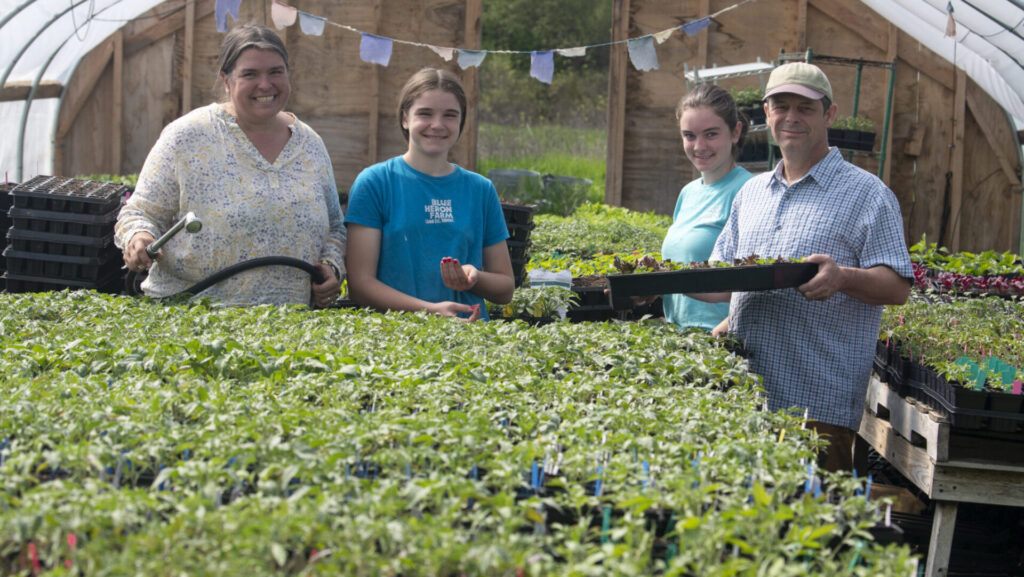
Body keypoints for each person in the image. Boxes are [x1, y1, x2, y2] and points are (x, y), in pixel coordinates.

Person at [697, 62, 913, 471]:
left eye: (805, 108)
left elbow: (897, 287)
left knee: (813, 509)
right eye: (781, 106)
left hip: (816, 408)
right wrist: (649, 287)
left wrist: (842, 277)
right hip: (743, 398)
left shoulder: (868, 194)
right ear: (766, 114)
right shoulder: (752, 193)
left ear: (829, 115)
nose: (791, 117)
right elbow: (721, 280)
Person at [115, 24, 344, 308]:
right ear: (226, 80)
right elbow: (139, 212)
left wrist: (331, 267)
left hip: (292, 322)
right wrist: (139, 236)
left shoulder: (309, 144)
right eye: (250, 74)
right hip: (192, 318)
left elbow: (335, 228)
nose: (265, 84)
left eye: (276, 72)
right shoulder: (188, 136)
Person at [345, 68, 514, 321]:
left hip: (471, 337)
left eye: (450, 115)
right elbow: (360, 285)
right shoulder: (375, 183)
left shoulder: (481, 189)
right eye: (425, 113)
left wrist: (475, 277)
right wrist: (430, 311)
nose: (437, 125)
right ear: (405, 118)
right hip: (395, 338)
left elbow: (506, 289)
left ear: (461, 122)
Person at [659, 84, 753, 332]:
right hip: (676, 337)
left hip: (719, 339)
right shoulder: (688, 193)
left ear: (735, 132)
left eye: (711, 134)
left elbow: (759, 283)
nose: (699, 146)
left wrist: (722, 333)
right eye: (689, 135)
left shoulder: (750, 191)